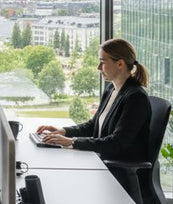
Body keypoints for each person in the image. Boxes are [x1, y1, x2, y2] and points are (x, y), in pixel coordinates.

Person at [37, 38, 152, 173]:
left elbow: (116, 143)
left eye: (102, 62)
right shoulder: (111, 89)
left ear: (120, 64)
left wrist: (71, 141)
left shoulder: (136, 98)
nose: (98, 67)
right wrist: (63, 131)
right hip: (100, 160)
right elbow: (93, 126)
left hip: (117, 171)